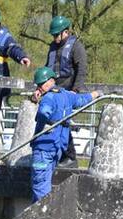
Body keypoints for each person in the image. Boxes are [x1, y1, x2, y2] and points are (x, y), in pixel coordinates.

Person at [30, 66, 100, 203]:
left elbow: (44, 112)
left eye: (41, 84)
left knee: (40, 185)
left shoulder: (48, 98)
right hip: (58, 147)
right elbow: (81, 100)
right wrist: (96, 94)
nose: (39, 88)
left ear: (51, 81)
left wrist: (43, 117)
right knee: (45, 181)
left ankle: (43, 215)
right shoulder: (65, 94)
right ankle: (40, 213)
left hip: (44, 146)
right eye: (38, 85)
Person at [40, 15, 88, 167]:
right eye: (53, 35)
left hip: (68, 91)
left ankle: (70, 157)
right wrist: (41, 88)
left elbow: (82, 69)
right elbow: (48, 69)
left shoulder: (76, 47)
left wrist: (75, 90)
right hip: (54, 91)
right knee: (53, 123)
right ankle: (59, 155)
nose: (55, 38)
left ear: (66, 32)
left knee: (63, 123)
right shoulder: (52, 47)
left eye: (56, 35)